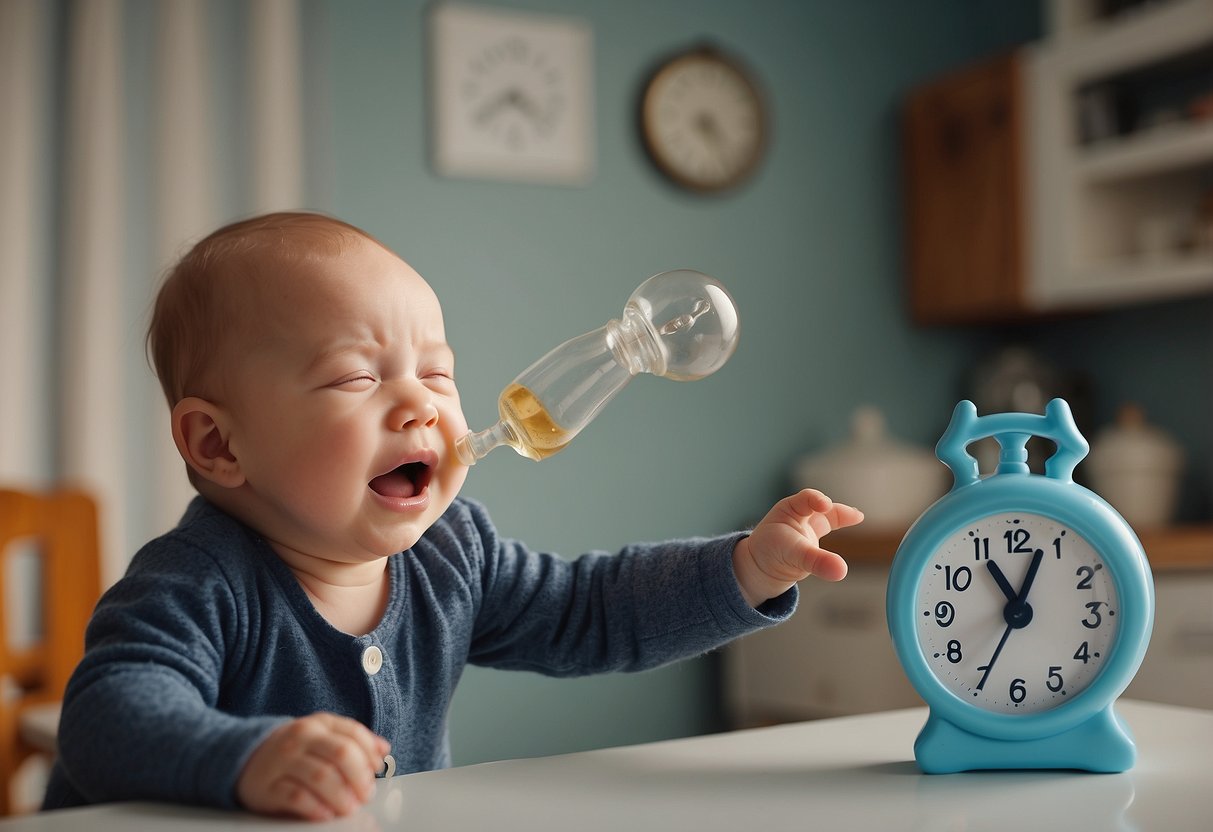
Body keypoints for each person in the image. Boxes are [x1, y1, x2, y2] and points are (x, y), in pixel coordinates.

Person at [43, 212, 863, 821]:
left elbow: (588, 611)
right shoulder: (198, 580)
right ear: (218, 443)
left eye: (437, 375)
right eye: (356, 380)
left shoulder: (451, 552)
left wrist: (744, 571)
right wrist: (245, 758)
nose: (421, 408)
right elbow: (106, 716)